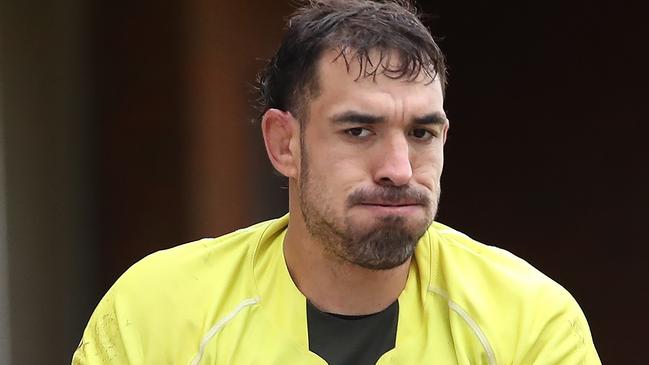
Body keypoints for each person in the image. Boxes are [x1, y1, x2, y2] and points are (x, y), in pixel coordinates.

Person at [73, 0, 601, 364]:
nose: (399, 167)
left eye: (422, 132)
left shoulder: (527, 317)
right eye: (358, 130)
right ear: (285, 144)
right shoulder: (159, 310)